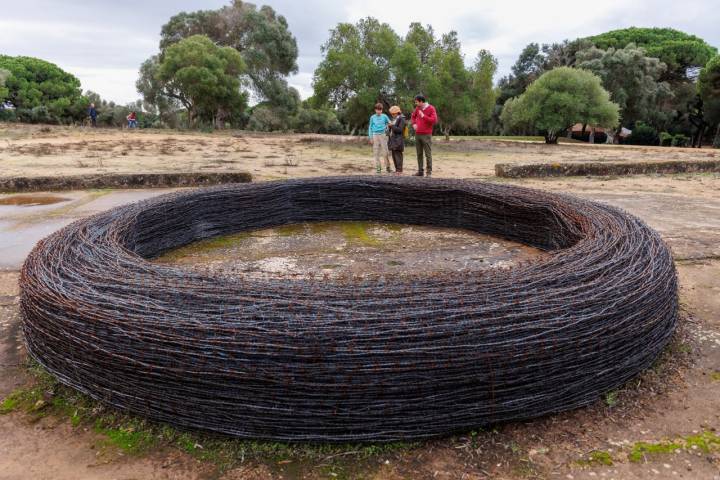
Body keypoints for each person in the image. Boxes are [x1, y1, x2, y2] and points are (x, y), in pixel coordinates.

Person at [410, 94, 438, 177]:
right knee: (419, 154)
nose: (416, 104)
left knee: (427, 154)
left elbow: (434, 120)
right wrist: (414, 123)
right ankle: (420, 171)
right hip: (417, 134)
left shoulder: (431, 108)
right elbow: (413, 116)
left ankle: (428, 172)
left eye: (417, 102)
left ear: (421, 102)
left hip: (426, 134)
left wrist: (423, 116)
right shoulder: (418, 108)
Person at [368, 103, 392, 174]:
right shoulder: (372, 117)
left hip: (383, 135)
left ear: (382, 110)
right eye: (378, 110)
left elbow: (390, 123)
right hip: (375, 135)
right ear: (375, 110)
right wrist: (370, 137)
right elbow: (370, 127)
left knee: (385, 152)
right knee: (376, 153)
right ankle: (378, 168)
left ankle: (388, 167)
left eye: (380, 110)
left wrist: (388, 125)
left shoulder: (384, 116)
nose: (379, 111)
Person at [387, 105, 406, 174]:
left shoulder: (402, 119)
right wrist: (389, 127)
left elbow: (400, 130)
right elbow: (392, 129)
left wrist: (392, 126)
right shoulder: (394, 119)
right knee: (394, 155)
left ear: (397, 112)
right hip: (393, 140)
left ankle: (399, 170)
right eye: (391, 114)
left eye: (393, 114)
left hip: (398, 140)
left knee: (398, 155)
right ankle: (397, 170)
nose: (392, 115)